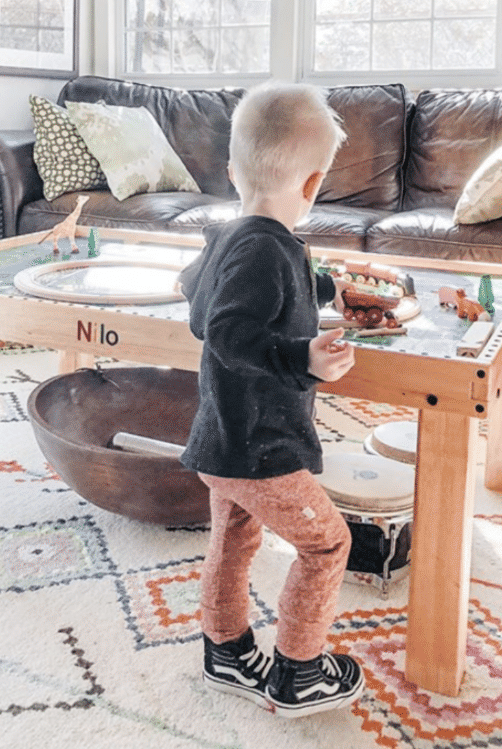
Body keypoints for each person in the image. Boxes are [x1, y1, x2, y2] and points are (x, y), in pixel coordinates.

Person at [178, 83, 365, 719]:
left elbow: (202, 290)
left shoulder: (232, 237)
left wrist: (315, 285)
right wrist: (301, 358)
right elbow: (229, 329)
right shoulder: (266, 248)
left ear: (233, 173)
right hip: (261, 446)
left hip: (221, 437)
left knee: (233, 539)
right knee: (327, 544)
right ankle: (301, 672)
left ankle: (225, 652)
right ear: (313, 185)